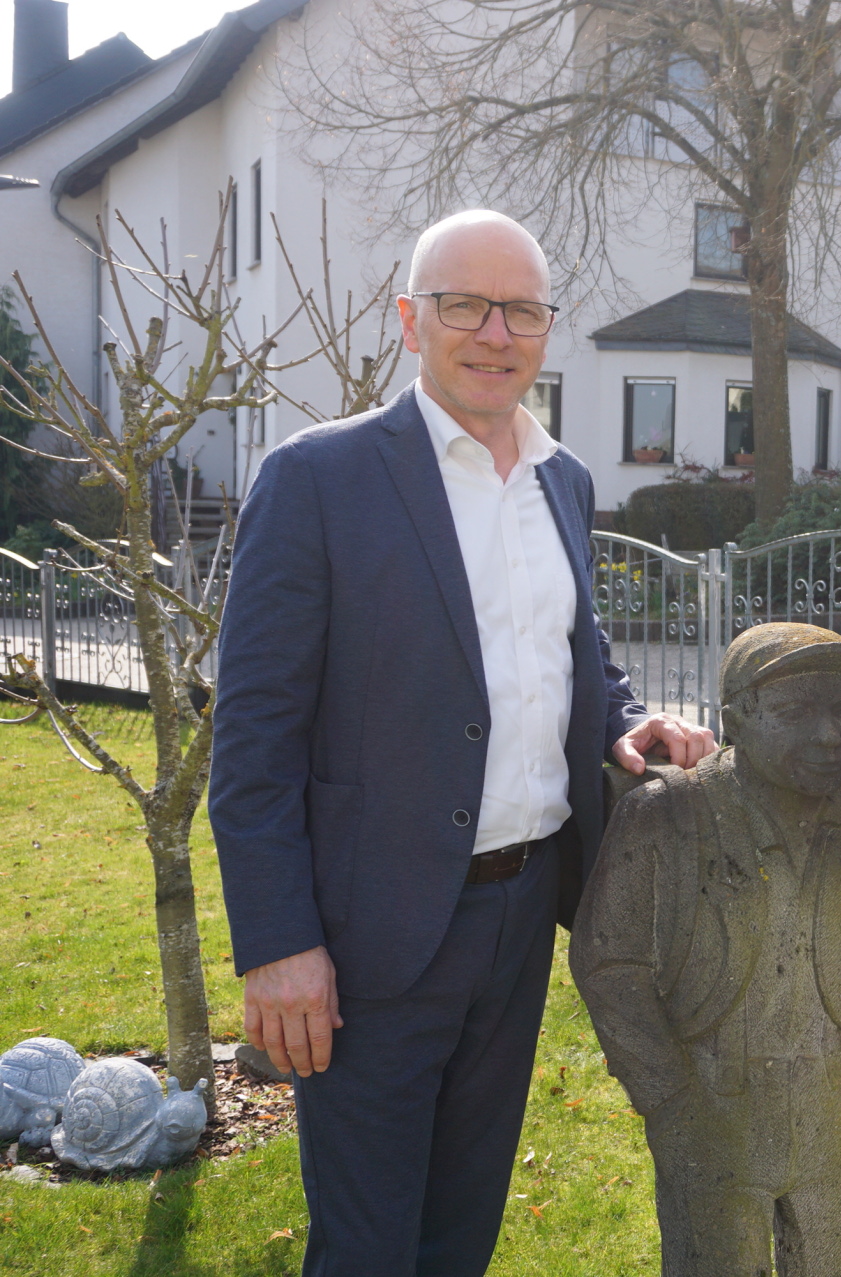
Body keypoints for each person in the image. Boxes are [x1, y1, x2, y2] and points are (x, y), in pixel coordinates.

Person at [209, 210, 716, 1277]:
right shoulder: (318, 480)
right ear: (411, 320)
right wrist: (277, 942)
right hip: (370, 931)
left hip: (523, 914)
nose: (495, 332)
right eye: (465, 305)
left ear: (546, 328)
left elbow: (572, 653)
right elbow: (253, 740)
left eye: (521, 310)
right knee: (368, 1246)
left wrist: (625, 721)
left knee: (461, 1233)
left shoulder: (563, 480)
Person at [572, 623, 841, 1276]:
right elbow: (609, 964)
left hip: (835, 1107)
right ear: (736, 720)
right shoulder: (667, 815)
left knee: (834, 1256)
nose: (828, 735)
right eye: (795, 711)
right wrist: (669, 1097)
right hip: (708, 1108)